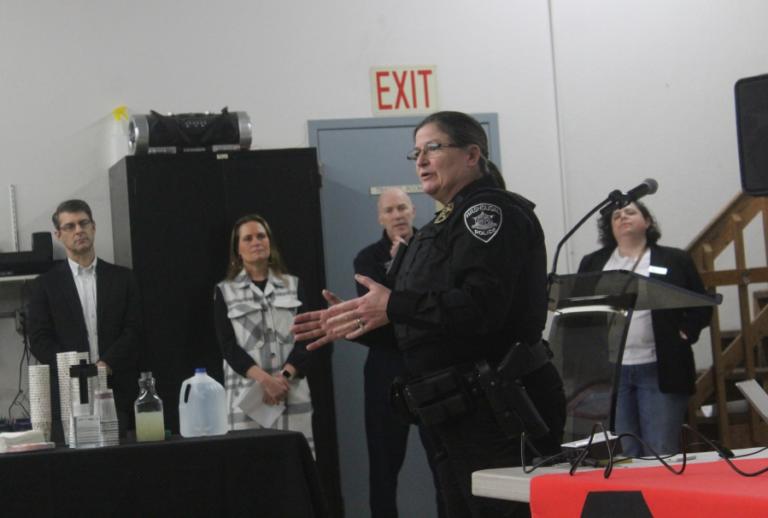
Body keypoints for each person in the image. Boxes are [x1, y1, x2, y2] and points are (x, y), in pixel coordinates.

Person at [294, 111, 566, 517]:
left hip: (498, 409)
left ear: (472, 154)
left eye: (433, 148)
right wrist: (360, 323)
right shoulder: (441, 225)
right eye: (416, 152)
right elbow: (422, 325)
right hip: (452, 409)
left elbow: (480, 310)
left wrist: (393, 305)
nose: (420, 160)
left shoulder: (486, 214)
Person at [578, 201, 712, 457]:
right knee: (624, 452)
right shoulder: (594, 262)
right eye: (616, 215)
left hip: (659, 367)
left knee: (660, 449)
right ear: (610, 227)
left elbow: (701, 303)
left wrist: (686, 333)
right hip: (611, 373)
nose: (623, 217)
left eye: (630, 212)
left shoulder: (673, 259)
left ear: (647, 221)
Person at [354, 187, 445, 518]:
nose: (398, 215)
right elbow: (373, 321)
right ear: (381, 217)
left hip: (429, 369)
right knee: (383, 467)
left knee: (443, 465)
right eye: (390, 210)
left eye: (403, 208)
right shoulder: (367, 260)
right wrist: (397, 269)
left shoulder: (434, 249)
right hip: (385, 372)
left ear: (413, 211)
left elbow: (435, 310)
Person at [28, 199, 141, 438]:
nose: (78, 230)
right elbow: (39, 340)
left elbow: (134, 329)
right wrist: (76, 372)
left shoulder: (123, 279)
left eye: (83, 223)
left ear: (94, 227)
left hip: (116, 389)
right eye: (69, 226)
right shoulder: (45, 285)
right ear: (58, 235)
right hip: (68, 395)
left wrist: (104, 366)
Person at [213, 214, 313, 449]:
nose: (256, 242)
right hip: (248, 398)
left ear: (270, 242)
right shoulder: (225, 291)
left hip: (291, 392)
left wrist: (282, 378)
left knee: (296, 467)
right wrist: (266, 381)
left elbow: (306, 337)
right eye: (247, 238)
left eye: (261, 236)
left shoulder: (293, 285)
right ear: (237, 250)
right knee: (250, 471)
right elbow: (228, 346)